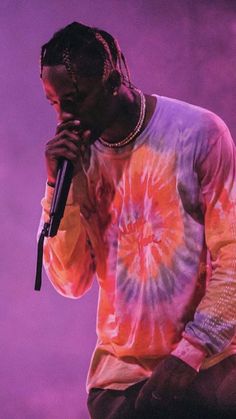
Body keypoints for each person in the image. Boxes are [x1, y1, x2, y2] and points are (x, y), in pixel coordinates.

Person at [38, 21, 236, 418]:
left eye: (74, 99)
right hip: (120, 380)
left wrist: (192, 351)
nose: (64, 116)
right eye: (55, 102)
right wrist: (58, 185)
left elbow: (233, 254)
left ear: (113, 80)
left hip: (208, 365)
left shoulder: (198, 132)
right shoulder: (79, 160)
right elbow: (70, 281)